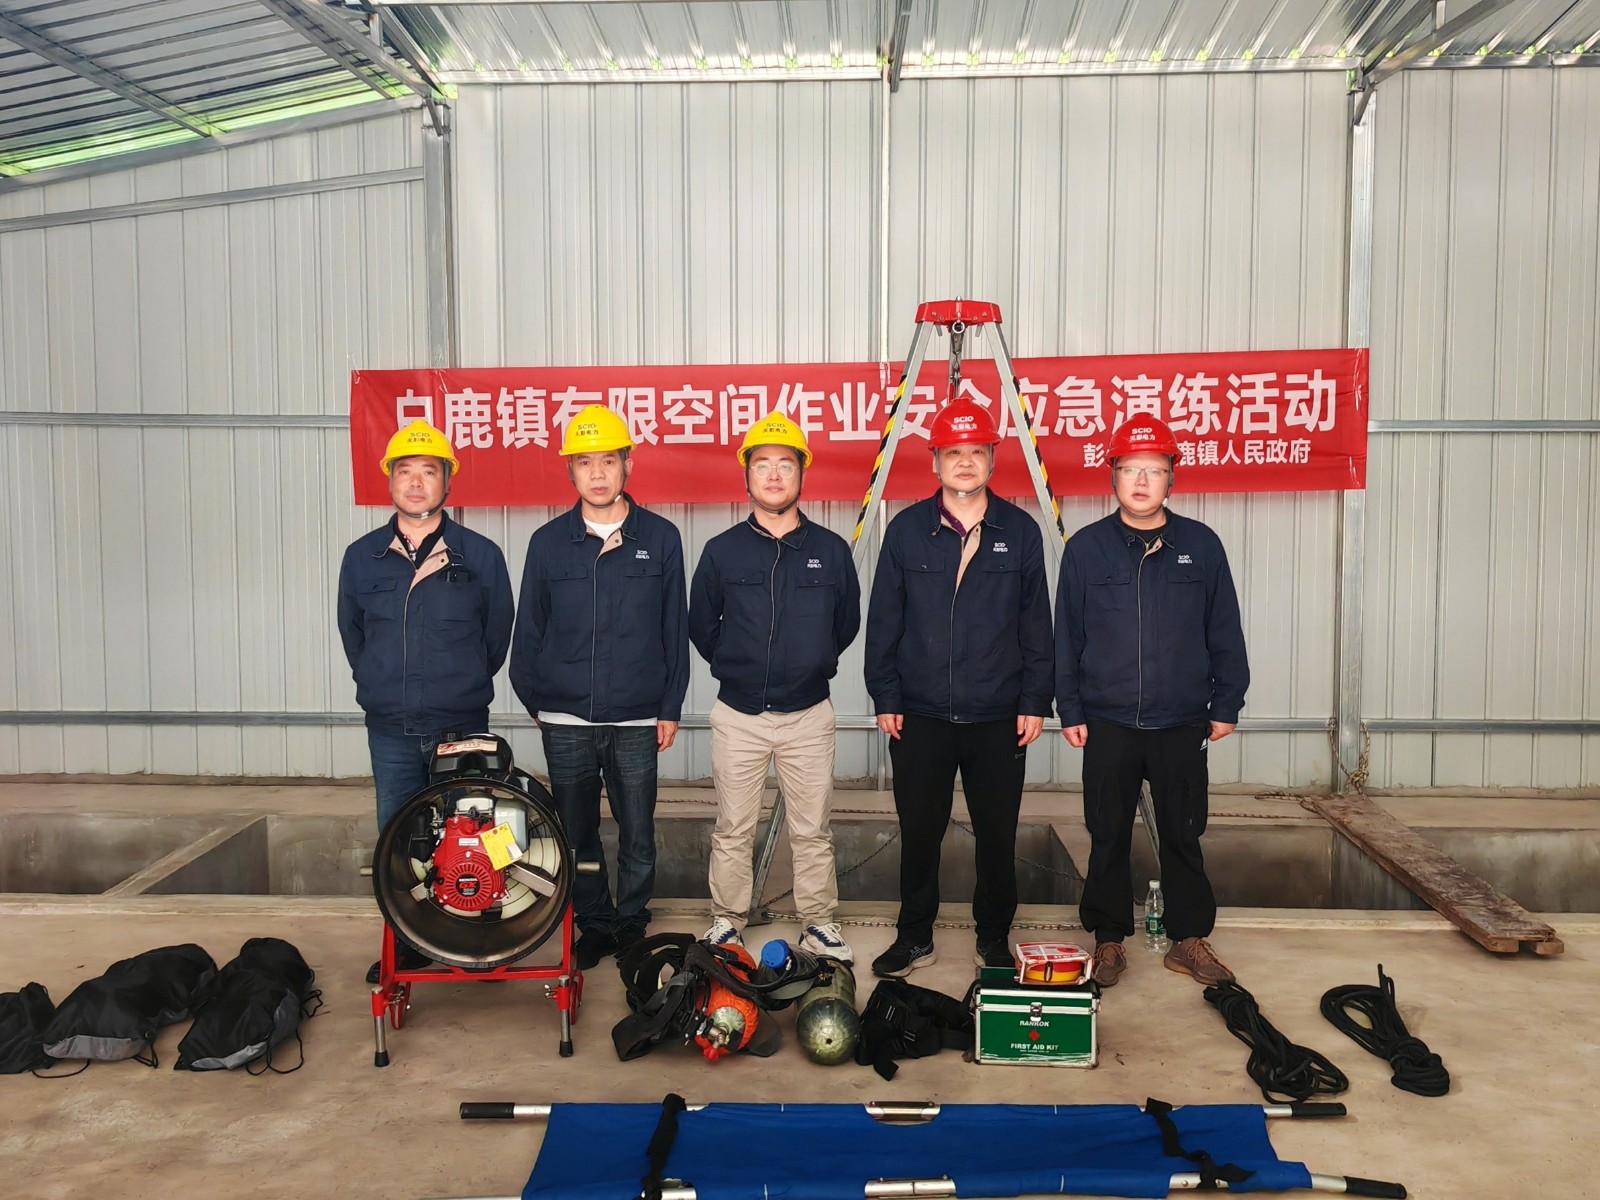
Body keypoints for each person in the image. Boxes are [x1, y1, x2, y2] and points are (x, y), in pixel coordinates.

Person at [1055, 413, 1250, 988]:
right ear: (1112, 476)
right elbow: (1067, 636)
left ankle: (1188, 939)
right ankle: (1108, 939)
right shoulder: (1086, 550)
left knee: (1183, 833)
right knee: (1107, 834)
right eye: (1130, 469)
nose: (1141, 481)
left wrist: (1227, 703)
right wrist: (1070, 708)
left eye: (1154, 470)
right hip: (1108, 720)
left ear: (1172, 478)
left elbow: (1224, 630)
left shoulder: (1201, 546)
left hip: (1181, 721)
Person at [864, 398, 1054, 978]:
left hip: (999, 716)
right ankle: (914, 936)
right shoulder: (906, 531)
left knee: (997, 836)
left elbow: (1036, 625)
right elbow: (884, 621)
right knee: (919, 833)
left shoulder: (1020, 531)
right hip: (920, 715)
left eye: (976, 451)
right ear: (935, 462)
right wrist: (886, 695)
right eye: (953, 452)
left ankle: (993, 937)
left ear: (993, 459)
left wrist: (1034, 701)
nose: (965, 462)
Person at [510, 405, 689, 970]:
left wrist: (669, 706)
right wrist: (538, 700)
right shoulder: (547, 543)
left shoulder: (660, 538)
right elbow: (529, 628)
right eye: (584, 462)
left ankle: (631, 920)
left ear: (628, 464)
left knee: (638, 830)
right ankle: (594, 921)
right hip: (565, 719)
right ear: (570, 470)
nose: (597, 473)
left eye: (608, 460)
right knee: (577, 833)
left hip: (637, 716)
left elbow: (674, 630)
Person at [337, 419, 514, 980]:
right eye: (405, 472)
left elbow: (496, 636)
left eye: (429, 471)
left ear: (447, 482)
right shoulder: (362, 557)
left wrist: (459, 685)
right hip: (390, 728)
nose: (416, 483)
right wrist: (382, 683)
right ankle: (408, 943)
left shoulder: (479, 555)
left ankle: (476, 938)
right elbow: (354, 636)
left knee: (473, 834)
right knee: (399, 842)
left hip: (459, 727)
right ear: (389, 480)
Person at [688, 412, 861, 962]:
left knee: (813, 830)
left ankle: (819, 923)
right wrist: (736, 665)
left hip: (808, 714)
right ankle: (727, 921)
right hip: (738, 715)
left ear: (802, 473)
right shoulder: (722, 550)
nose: (773, 475)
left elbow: (846, 623)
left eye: (785, 464)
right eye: (762, 464)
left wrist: (812, 662)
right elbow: (701, 625)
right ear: (746, 475)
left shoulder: (831, 549)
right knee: (733, 828)